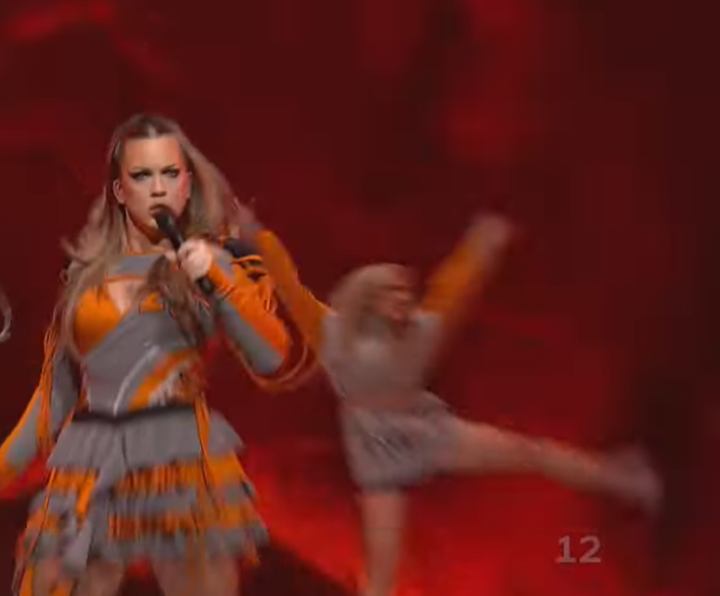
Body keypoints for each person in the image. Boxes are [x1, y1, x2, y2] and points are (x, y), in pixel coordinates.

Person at [0, 113, 313, 596]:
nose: (158, 188)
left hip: (180, 455)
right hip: (92, 457)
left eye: (169, 174)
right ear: (119, 190)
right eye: (142, 175)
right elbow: (56, 393)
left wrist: (220, 282)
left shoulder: (208, 265)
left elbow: (272, 356)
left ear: (187, 185)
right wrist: (0, 468)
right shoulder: (84, 279)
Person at [239, 212, 662, 596]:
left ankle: (624, 477)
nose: (401, 306)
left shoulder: (415, 339)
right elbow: (290, 286)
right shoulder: (335, 341)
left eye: (403, 298)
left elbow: (452, 294)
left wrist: (484, 242)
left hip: (429, 438)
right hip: (381, 468)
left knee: (528, 452)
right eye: (392, 297)